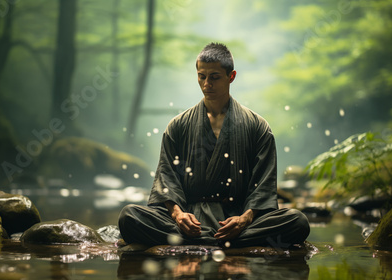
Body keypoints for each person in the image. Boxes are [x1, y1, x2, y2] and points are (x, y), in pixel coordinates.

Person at [118, 42, 310, 248]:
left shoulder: (257, 126)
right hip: (190, 220)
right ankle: (224, 243)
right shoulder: (178, 125)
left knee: (297, 221)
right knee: (129, 216)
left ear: (231, 76)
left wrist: (244, 219)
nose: (206, 84)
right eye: (201, 76)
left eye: (214, 77)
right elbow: (167, 178)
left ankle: (199, 242)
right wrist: (178, 215)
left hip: (236, 220)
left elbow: (263, 186)